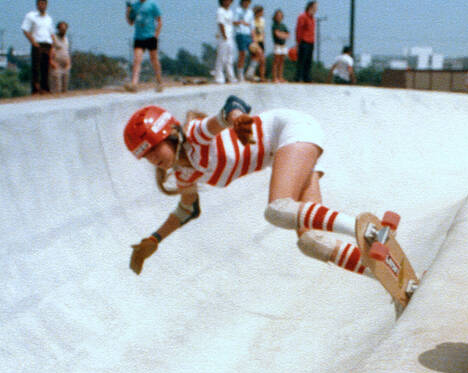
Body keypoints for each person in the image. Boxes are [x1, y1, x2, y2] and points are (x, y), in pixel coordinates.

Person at [123, 95, 372, 279]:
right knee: (312, 242)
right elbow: (187, 210)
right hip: (285, 153)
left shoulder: (194, 135)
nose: (153, 159)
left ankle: (367, 230)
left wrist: (237, 119)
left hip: (292, 130)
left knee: (277, 209)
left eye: (154, 148)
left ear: (168, 134)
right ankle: (381, 272)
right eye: (145, 156)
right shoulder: (184, 173)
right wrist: (153, 240)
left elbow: (231, 105)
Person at [125, 0, 163, 92]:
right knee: (137, 60)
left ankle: (159, 81)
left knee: (154, 59)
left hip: (150, 36)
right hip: (139, 36)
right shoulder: (135, 6)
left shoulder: (152, 4)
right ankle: (134, 83)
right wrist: (127, 12)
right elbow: (130, 22)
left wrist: (156, 35)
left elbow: (159, 20)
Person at [21, 0, 55, 94]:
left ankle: (45, 88)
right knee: (36, 68)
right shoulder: (31, 16)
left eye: (43, 4)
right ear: (37, 5)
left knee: (45, 67)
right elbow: (25, 29)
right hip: (38, 44)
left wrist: (53, 45)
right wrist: (33, 41)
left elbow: (51, 33)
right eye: (40, 4)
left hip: (47, 44)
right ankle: (35, 89)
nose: (42, 6)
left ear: (46, 5)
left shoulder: (48, 18)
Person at [214, 0, 237, 84]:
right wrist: (224, 35)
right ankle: (218, 77)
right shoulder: (220, 11)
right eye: (227, 0)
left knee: (229, 58)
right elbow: (221, 23)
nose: (228, 2)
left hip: (230, 36)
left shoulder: (230, 12)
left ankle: (230, 76)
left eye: (230, 1)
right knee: (221, 57)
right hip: (223, 37)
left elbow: (231, 23)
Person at [294, 0, 317, 83]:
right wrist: (298, 41)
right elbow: (299, 29)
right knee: (302, 60)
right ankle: (298, 77)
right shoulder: (303, 16)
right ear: (310, 7)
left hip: (311, 41)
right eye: (315, 7)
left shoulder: (313, 18)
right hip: (304, 41)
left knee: (308, 60)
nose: (316, 9)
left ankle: (306, 77)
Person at [233, 0, 254, 81]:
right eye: (245, 2)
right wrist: (241, 22)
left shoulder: (250, 12)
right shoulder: (238, 11)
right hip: (240, 33)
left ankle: (250, 72)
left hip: (248, 34)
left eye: (248, 2)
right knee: (243, 54)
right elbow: (234, 21)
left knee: (257, 52)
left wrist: (253, 36)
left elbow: (252, 25)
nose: (246, 4)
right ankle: (240, 73)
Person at [50, 21, 71, 93]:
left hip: (65, 65)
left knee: (65, 87)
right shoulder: (54, 38)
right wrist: (51, 62)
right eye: (62, 29)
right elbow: (50, 50)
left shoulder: (66, 39)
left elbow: (67, 51)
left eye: (65, 29)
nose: (63, 30)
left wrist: (68, 62)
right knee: (57, 87)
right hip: (56, 65)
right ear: (58, 29)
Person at [271, 9, 290, 83]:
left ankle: (280, 77)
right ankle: (274, 77)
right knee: (276, 61)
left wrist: (282, 34)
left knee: (282, 61)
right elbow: (277, 34)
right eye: (277, 15)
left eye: (280, 15)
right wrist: (282, 34)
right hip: (277, 44)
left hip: (283, 45)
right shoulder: (274, 25)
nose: (279, 17)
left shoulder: (283, 25)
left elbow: (288, 34)